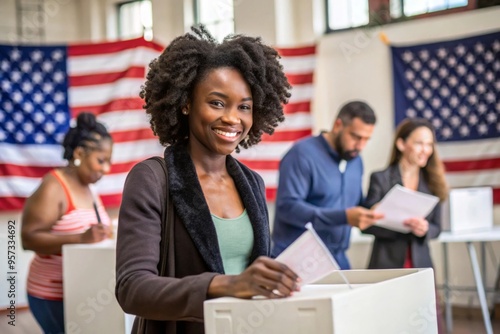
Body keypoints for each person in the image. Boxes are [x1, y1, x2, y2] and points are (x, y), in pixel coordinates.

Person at [115, 26, 300, 334]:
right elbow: (132, 289)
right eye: (217, 102)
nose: (232, 118)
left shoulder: (251, 183)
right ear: (186, 103)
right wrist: (227, 285)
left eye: (244, 106)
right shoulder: (151, 179)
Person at [21, 112, 113, 334]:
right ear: (80, 153)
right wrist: (81, 238)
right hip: (51, 295)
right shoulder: (54, 187)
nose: (106, 169)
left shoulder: (88, 186)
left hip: (80, 291)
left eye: (109, 161)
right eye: (101, 160)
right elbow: (28, 238)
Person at [271, 101, 383, 269]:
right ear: (338, 125)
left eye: (366, 139)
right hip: (298, 261)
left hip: (338, 259)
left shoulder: (355, 160)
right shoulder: (301, 154)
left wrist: (374, 210)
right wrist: (344, 217)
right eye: (356, 137)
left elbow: (356, 202)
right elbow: (288, 208)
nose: (361, 146)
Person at [362, 118, 448, 269]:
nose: (425, 150)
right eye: (419, 143)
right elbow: (365, 225)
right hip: (386, 264)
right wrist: (397, 223)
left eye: (429, 144)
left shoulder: (433, 183)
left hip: (420, 263)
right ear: (401, 144)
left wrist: (425, 229)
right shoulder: (380, 179)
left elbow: (437, 228)